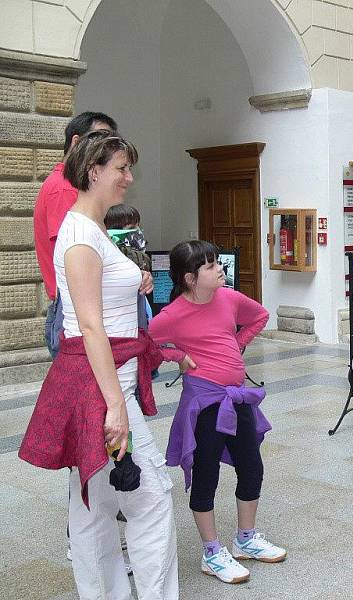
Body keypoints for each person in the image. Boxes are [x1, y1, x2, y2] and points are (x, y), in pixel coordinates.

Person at [19, 130, 179, 599]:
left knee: (95, 503)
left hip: (100, 382)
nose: (129, 177)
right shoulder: (81, 235)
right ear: (94, 172)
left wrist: (136, 279)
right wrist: (115, 405)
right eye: (122, 168)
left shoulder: (88, 229)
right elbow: (90, 327)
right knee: (150, 498)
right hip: (103, 387)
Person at [148, 240, 284, 585]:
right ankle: (212, 552)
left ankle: (246, 539)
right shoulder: (173, 314)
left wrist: (237, 343)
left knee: (252, 466)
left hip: (237, 399)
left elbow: (260, 316)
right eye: (210, 266)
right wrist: (176, 356)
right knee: (206, 474)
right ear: (191, 279)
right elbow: (142, 343)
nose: (220, 269)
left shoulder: (228, 298)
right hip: (205, 403)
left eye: (217, 263)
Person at [34, 111, 118, 358]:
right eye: (100, 139)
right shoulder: (64, 188)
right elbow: (77, 259)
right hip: (77, 312)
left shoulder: (69, 186)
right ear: (76, 142)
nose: (108, 148)